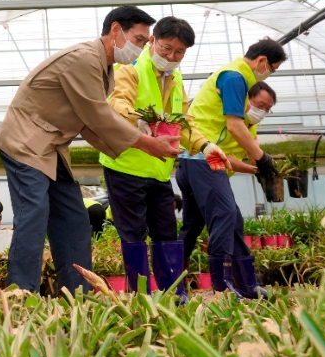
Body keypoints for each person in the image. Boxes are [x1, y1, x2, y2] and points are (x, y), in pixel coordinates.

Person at [0, 6, 181, 295]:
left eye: (145, 42)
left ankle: (77, 293)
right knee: (34, 213)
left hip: (50, 147)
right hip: (25, 142)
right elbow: (99, 117)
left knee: (74, 218)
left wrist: (146, 147)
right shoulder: (83, 59)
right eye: (140, 40)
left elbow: (89, 125)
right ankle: (21, 293)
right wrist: (146, 143)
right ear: (116, 30)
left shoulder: (104, 68)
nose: (142, 48)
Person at [98, 16, 230, 301]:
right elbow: (117, 103)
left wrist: (205, 146)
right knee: (133, 233)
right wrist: (139, 124)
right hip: (125, 167)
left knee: (166, 230)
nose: (171, 57)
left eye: (179, 52)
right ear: (152, 41)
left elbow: (183, 121)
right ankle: (141, 295)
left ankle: (174, 294)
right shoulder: (129, 69)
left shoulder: (175, 77)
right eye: (166, 48)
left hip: (158, 171)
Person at [175, 38, 286, 299]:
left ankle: (178, 285)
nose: (270, 73)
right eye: (273, 68)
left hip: (198, 158)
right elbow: (235, 127)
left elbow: (237, 148)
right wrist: (262, 160)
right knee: (226, 215)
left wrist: (260, 167)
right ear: (261, 61)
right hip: (203, 157)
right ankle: (224, 284)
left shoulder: (238, 80)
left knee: (197, 225)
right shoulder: (235, 78)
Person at [180, 81, 276, 271]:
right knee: (227, 216)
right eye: (259, 105)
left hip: (193, 167)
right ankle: (225, 277)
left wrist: (269, 169)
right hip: (203, 164)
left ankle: (175, 277)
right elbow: (226, 158)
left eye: (267, 109)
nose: (262, 112)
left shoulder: (249, 126)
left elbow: (253, 154)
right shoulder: (231, 120)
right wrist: (258, 170)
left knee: (193, 225)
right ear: (245, 99)